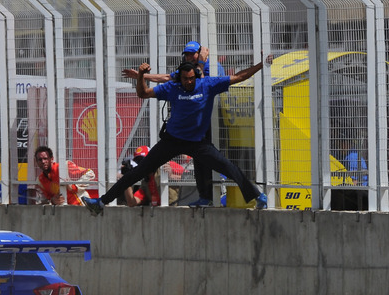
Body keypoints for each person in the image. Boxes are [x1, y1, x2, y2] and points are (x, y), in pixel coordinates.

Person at [83, 59, 269, 215]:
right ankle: (100, 202)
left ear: (195, 76)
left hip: (197, 143)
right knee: (138, 171)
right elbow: (143, 93)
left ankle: (258, 196)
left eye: (191, 79)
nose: (188, 82)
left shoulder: (208, 85)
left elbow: (240, 76)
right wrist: (140, 75)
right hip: (172, 141)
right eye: (185, 79)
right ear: (179, 78)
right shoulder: (173, 87)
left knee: (228, 166)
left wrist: (261, 65)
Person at [122, 41, 224, 207]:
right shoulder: (189, 68)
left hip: (212, 118)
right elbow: (167, 78)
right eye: (187, 54)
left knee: (211, 158)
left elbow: (203, 87)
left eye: (193, 54)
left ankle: (217, 194)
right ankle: (205, 197)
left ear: (201, 53)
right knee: (200, 159)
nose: (189, 57)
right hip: (197, 121)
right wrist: (140, 76)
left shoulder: (209, 66)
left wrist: (202, 63)